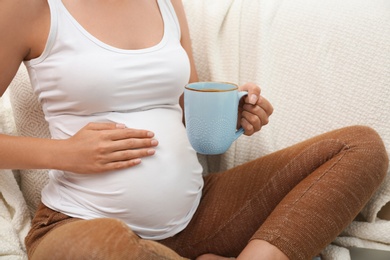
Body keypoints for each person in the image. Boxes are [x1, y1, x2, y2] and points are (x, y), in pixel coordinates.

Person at [0, 0, 388, 259]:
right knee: (104, 248)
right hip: (80, 223)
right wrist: (65, 154)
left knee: (360, 147)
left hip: (196, 216)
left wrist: (232, 112)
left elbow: (188, 112)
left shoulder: (166, 3)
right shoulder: (28, 7)